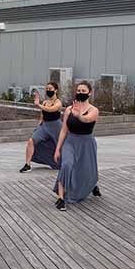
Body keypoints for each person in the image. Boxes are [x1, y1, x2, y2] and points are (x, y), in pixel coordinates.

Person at [53, 81, 101, 211]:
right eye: (78, 91)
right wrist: (57, 149)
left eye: (83, 91)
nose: (80, 93)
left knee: (87, 170)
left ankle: (92, 185)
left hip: (86, 143)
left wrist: (79, 115)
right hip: (71, 141)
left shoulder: (94, 110)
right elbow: (63, 130)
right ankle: (61, 198)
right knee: (66, 165)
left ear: (89, 93)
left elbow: (86, 119)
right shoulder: (68, 109)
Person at [20, 82, 63, 172]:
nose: (48, 91)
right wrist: (38, 127)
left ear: (55, 90)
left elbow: (51, 110)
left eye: (50, 89)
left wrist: (39, 105)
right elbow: (42, 115)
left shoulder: (58, 102)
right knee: (32, 140)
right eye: (47, 89)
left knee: (60, 146)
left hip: (56, 127)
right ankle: (27, 165)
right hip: (45, 126)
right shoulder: (45, 102)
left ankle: (63, 162)